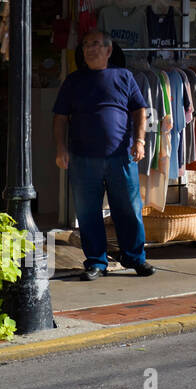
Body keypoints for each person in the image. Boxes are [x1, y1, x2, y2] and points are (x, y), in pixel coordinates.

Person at [54, 30, 156, 281]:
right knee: (88, 213)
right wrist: (60, 148)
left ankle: (135, 258)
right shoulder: (73, 81)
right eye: (86, 44)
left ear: (109, 50)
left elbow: (139, 110)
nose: (90, 49)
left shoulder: (124, 76)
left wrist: (140, 141)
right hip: (82, 158)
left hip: (121, 157)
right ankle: (96, 263)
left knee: (129, 210)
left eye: (96, 44)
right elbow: (60, 118)